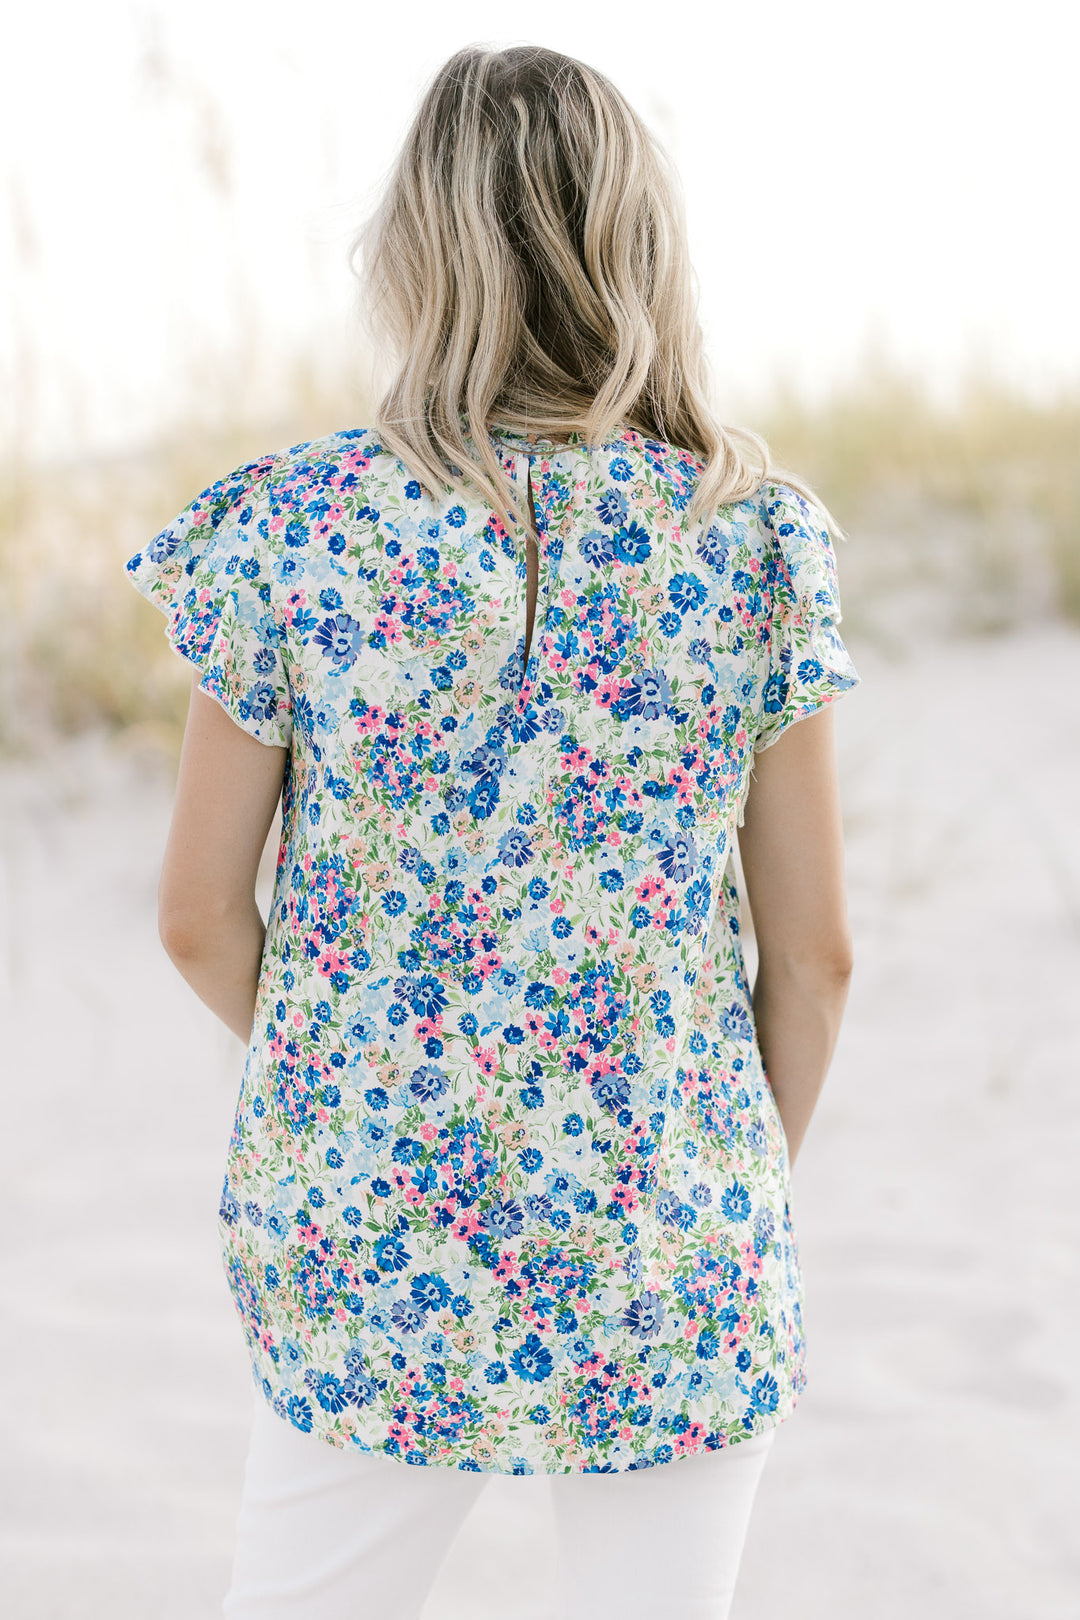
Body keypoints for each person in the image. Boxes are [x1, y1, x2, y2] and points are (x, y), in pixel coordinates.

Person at [124, 42, 860, 1620]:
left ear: (416, 249)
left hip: (372, 1232)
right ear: (639, 248)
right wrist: (711, 1179)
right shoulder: (751, 539)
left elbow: (196, 914)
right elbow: (814, 957)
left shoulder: (292, 526)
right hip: (673, 1232)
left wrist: (367, 1084)